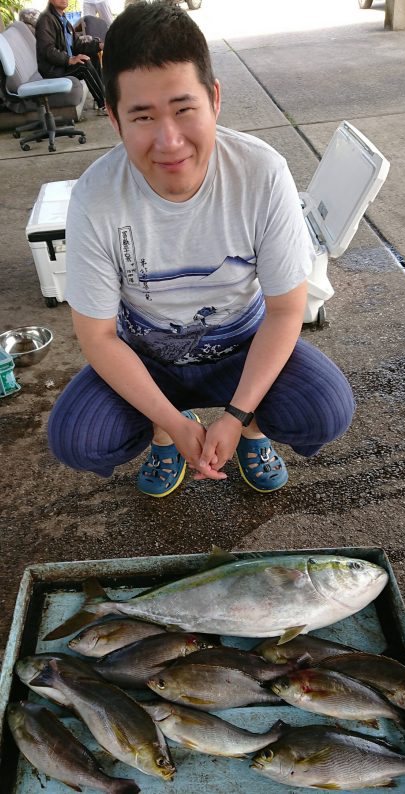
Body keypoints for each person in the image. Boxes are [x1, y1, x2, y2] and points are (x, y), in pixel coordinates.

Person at [48, 1, 355, 497]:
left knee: (326, 410)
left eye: (184, 109)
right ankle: (165, 431)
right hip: (147, 355)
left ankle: (252, 428)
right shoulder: (95, 196)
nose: (169, 142)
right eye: (142, 116)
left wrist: (234, 417)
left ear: (214, 99)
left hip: (244, 348)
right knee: (77, 438)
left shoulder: (262, 172)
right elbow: (99, 336)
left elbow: (284, 310)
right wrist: (169, 417)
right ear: (114, 117)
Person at [35, 0, 107, 114]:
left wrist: (99, 45)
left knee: (92, 56)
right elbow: (47, 51)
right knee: (84, 65)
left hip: (63, 65)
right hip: (53, 70)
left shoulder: (63, 19)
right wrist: (70, 59)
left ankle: (101, 96)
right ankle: (103, 104)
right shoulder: (46, 20)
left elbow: (77, 45)